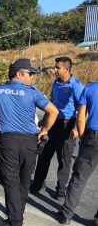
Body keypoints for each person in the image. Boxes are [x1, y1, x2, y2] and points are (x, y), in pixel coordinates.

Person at [0, 59, 58, 226]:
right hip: (30, 142)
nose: (32, 77)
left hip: (8, 142)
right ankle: (18, 215)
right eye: (30, 74)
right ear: (19, 74)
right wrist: (43, 131)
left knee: (11, 182)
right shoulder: (32, 92)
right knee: (24, 181)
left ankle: (15, 222)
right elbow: (54, 111)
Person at [30, 57, 85, 200]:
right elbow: (52, 101)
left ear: (66, 69)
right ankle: (38, 183)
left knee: (64, 159)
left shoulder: (76, 86)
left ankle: (61, 189)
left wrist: (76, 128)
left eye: (57, 68)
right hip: (52, 123)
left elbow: (83, 108)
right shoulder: (56, 83)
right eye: (55, 67)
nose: (54, 70)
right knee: (44, 154)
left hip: (67, 124)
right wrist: (44, 119)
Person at [56, 82, 98, 226]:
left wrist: (82, 139)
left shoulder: (90, 88)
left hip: (93, 137)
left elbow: (81, 119)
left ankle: (66, 214)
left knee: (80, 176)